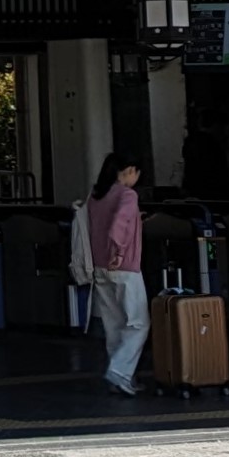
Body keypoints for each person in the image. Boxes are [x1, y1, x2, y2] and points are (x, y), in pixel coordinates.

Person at [85, 152, 149, 396]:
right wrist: (119, 251)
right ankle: (120, 371)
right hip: (123, 267)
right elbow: (117, 227)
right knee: (138, 322)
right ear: (129, 170)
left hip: (100, 266)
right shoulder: (127, 195)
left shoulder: (96, 196)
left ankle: (120, 376)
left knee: (114, 324)